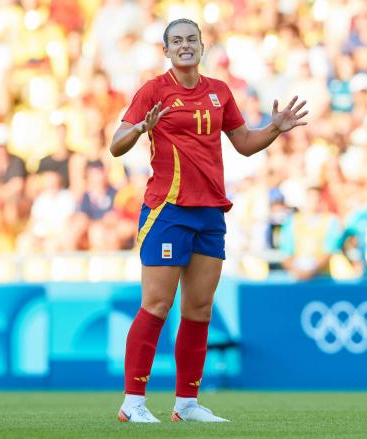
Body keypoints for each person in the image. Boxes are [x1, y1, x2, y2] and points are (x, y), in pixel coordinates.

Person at [109, 18, 308, 423]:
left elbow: (245, 143)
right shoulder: (153, 91)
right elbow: (116, 144)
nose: (185, 46)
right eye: (177, 41)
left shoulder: (219, 91)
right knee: (158, 304)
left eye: (191, 40)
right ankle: (133, 403)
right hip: (168, 209)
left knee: (199, 308)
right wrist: (140, 129)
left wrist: (274, 128)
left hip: (210, 211)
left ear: (202, 46)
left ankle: (186, 404)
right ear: (166, 51)